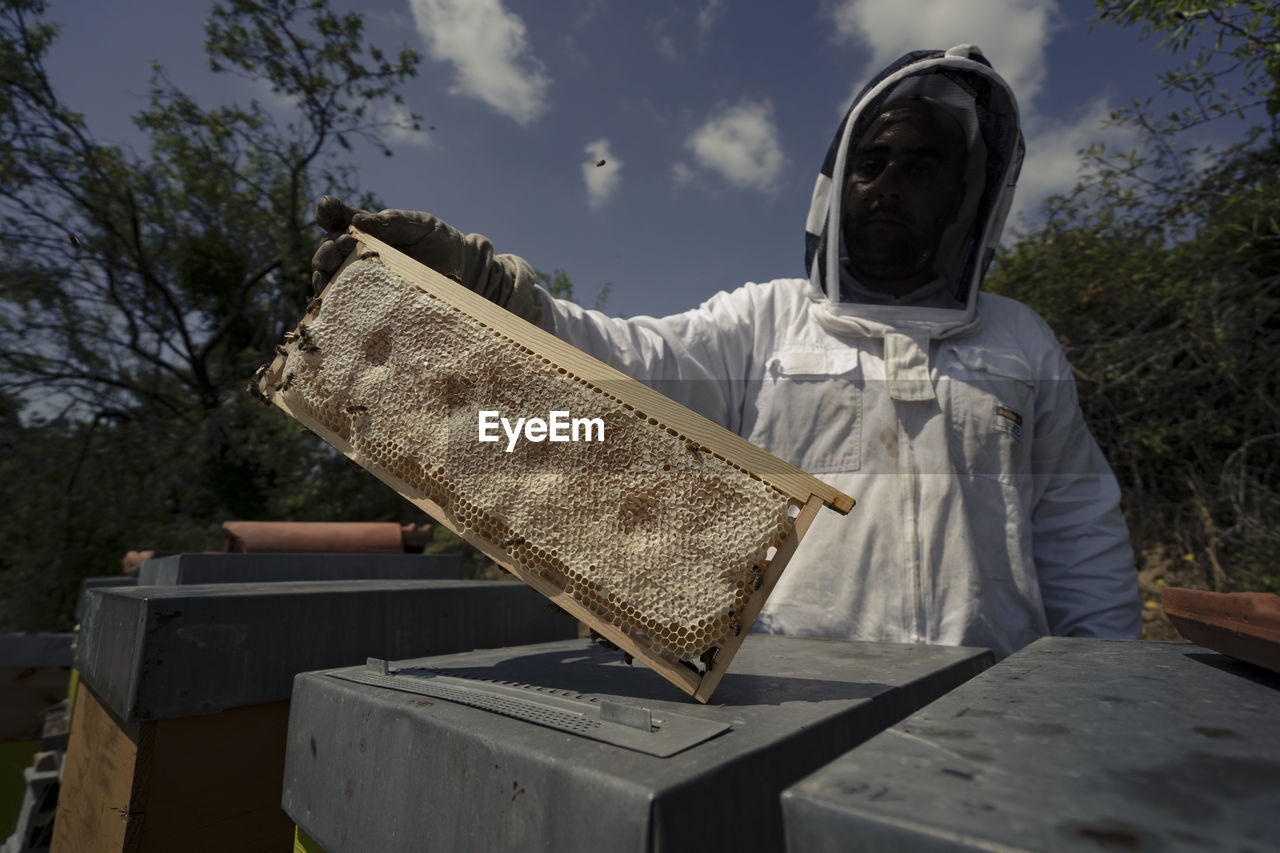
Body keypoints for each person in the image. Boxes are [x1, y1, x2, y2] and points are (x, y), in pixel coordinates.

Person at [311, 45, 1140, 657]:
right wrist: (487, 285)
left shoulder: (1019, 338)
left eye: (922, 167)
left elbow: (1076, 531)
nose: (889, 184)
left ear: (964, 195)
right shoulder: (769, 321)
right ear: (840, 182)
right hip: (797, 700)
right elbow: (623, 358)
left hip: (992, 704)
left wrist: (1106, 687)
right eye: (874, 161)